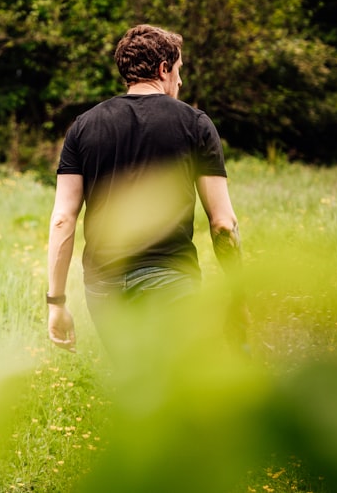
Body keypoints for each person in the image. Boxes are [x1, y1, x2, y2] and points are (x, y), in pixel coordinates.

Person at [45, 24, 242, 353]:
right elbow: (223, 223)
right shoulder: (195, 124)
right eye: (178, 70)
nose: (180, 81)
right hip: (171, 280)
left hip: (103, 286)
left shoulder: (82, 127)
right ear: (163, 68)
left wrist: (56, 302)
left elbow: (63, 219)